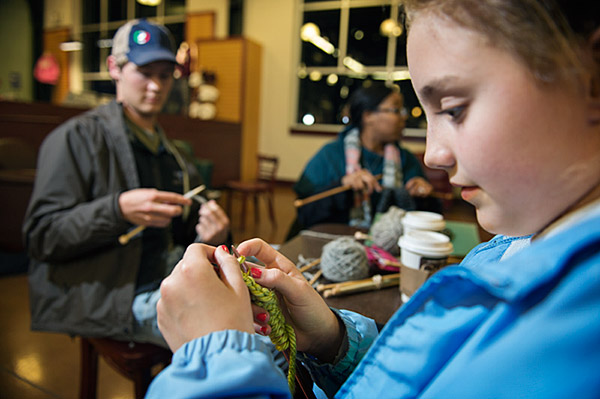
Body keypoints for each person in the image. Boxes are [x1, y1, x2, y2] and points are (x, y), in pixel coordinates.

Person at [148, 0, 600, 397]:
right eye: (416, 112)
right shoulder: (508, 249)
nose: (433, 154)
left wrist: (212, 359)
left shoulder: (572, 341)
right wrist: (333, 341)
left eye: (455, 109)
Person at [23, 19, 231, 347]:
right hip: (112, 293)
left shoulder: (174, 153)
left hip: (166, 274)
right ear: (114, 68)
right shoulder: (76, 139)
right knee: (228, 334)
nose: (156, 86)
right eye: (145, 73)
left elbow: (182, 233)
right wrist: (117, 209)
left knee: (259, 305)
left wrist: (211, 234)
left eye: (164, 75)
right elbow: (41, 236)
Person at [288, 84, 438, 239]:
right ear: (368, 116)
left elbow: (429, 218)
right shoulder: (330, 154)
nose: (404, 116)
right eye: (396, 110)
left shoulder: (406, 159)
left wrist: (425, 197)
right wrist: (343, 184)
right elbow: (305, 210)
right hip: (332, 243)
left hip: (389, 247)